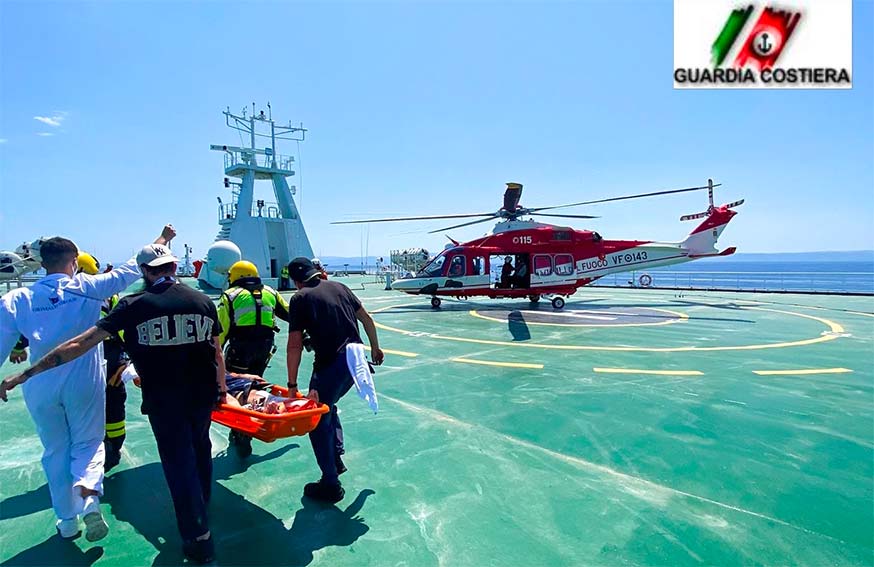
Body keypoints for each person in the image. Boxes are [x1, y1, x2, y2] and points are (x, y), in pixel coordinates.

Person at [1, 241, 226, 564]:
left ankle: (197, 538)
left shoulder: (135, 304)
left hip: (161, 399)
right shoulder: (203, 301)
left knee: (177, 464)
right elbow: (216, 351)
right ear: (175, 267)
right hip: (200, 395)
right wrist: (221, 390)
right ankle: (197, 505)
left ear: (147, 272)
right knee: (197, 448)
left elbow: (79, 344)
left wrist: (26, 374)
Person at [0, 226, 175, 542]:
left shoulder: (18, 298)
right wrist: (162, 240)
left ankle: (67, 523)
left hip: (40, 382)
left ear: (43, 264)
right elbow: (133, 265)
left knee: (55, 450)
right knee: (88, 442)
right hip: (83, 380)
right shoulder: (89, 287)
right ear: (73, 262)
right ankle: (90, 501)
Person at [285, 257, 384, 503]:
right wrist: (375, 348)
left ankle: (330, 483)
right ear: (316, 271)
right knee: (329, 407)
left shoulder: (300, 298)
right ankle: (336, 456)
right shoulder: (340, 287)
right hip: (356, 363)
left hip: (332, 365)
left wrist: (292, 384)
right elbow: (367, 319)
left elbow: (295, 344)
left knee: (316, 419)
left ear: (297, 281)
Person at [76, 252, 129, 472]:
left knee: (84, 406)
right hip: (113, 357)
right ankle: (113, 448)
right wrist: (125, 361)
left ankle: (88, 451)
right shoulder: (111, 296)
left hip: (83, 358)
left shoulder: (71, 297)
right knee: (114, 403)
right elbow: (125, 331)